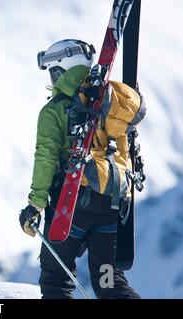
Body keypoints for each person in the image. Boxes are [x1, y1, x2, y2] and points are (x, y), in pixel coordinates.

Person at [19, 39, 145, 299]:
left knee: (56, 280)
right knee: (110, 282)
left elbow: (46, 156)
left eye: (53, 72)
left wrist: (36, 205)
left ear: (60, 70)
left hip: (74, 203)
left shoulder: (55, 111)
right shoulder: (111, 106)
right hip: (110, 206)